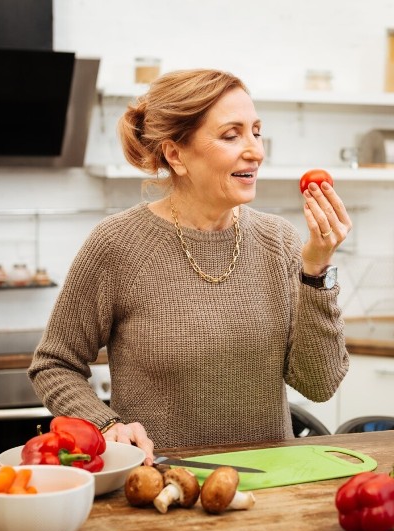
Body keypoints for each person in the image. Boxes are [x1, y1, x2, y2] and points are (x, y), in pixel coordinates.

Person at [29, 69, 352, 465]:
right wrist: (105, 425)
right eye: (231, 135)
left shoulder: (280, 241)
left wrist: (317, 271)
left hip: (268, 486)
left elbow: (318, 385)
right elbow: (54, 363)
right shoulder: (117, 244)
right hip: (160, 485)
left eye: (256, 131)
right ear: (176, 155)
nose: (255, 150)